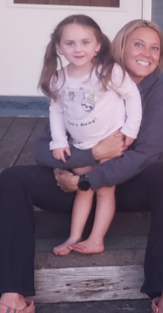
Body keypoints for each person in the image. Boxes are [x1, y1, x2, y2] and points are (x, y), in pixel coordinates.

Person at [0, 19, 163, 313]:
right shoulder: (82, 77)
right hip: (75, 184)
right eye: (138, 44)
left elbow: (146, 152)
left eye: (155, 48)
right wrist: (86, 160)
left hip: (123, 186)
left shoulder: (156, 91)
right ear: (118, 45)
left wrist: (90, 182)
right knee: (13, 179)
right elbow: (43, 149)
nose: (147, 53)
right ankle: (12, 299)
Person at [37, 15, 142, 256]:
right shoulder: (59, 78)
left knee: (104, 190)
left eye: (85, 42)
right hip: (82, 147)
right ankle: (74, 237)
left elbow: (132, 96)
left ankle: (96, 239)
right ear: (59, 47)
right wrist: (59, 140)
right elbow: (56, 109)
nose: (78, 49)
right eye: (70, 43)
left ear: (98, 45)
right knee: (84, 190)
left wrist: (130, 130)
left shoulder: (109, 71)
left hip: (110, 142)